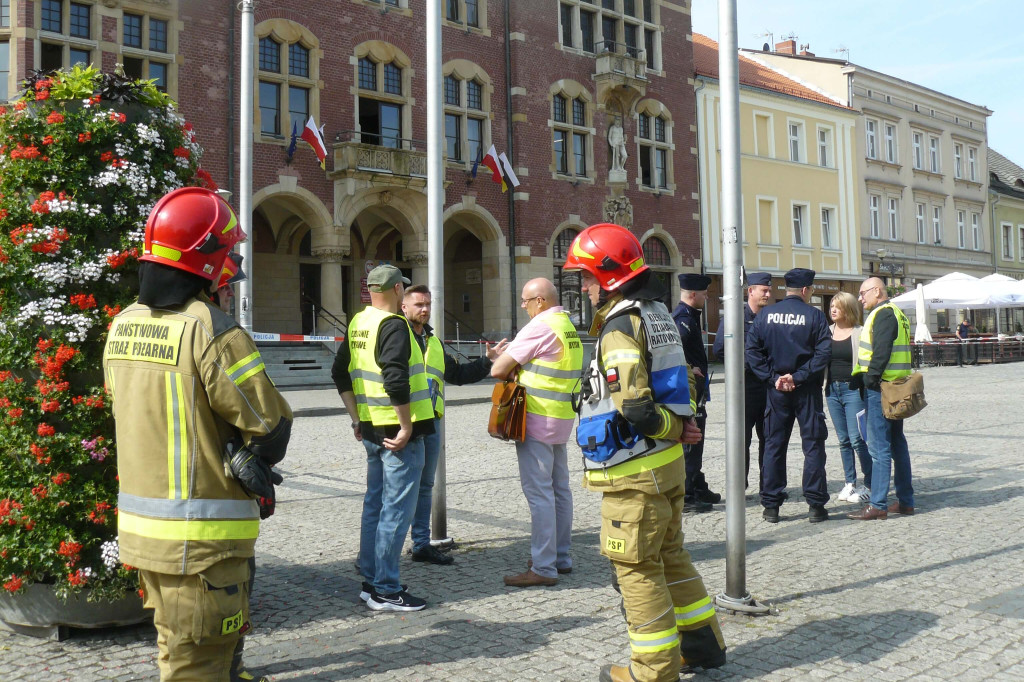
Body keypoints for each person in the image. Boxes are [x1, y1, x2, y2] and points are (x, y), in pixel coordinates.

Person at [103, 187, 292, 682]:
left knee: (176, 644)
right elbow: (271, 424)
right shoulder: (212, 330)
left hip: (145, 531)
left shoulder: (122, 324)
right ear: (207, 260)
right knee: (199, 664)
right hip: (203, 538)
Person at [564, 223, 726, 682]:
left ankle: (653, 671)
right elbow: (687, 378)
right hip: (666, 466)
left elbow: (634, 406)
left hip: (634, 470)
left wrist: (673, 427)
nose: (584, 285)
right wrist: (682, 428)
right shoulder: (655, 312)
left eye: (588, 276)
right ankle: (703, 645)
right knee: (671, 555)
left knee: (636, 568)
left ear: (610, 275)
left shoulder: (620, 326)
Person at [332, 264, 434, 611]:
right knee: (396, 510)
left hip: (373, 428)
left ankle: (372, 579)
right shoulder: (394, 325)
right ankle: (387, 590)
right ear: (396, 291)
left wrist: (357, 417)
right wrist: (406, 426)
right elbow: (394, 378)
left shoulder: (359, 321)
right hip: (397, 434)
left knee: (374, 504)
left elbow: (339, 372)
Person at [400, 284, 508, 565]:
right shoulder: (398, 336)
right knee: (400, 488)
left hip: (430, 422)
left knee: (425, 486)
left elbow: (458, 374)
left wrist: (487, 361)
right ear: (404, 307)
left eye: (427, 304)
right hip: (403, 423)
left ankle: (421, 544)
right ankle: (384, 549)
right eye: (418, 304)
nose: (424, 309)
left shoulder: (433, 342)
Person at [490, 278, 581, 587]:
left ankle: (543, 567)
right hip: (561, 417)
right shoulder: (566, 325)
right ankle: (561, 557)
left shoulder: (540, 326)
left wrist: (501, 361)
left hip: (537, 417)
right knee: (560, 489)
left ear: (540, 300)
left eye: (525, 300)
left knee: (540, 493)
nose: (523, 306)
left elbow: (498, 370)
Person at [746, 268, 831, 524]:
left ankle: (771, 506)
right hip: (806, 391)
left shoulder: (766, 315)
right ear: (805, 290)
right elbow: (823, 353)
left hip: (776, 392)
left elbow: (752, 350)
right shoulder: (814, 316)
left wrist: (773, 378)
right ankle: (815, 505)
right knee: (813, 445)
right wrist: (799, 376)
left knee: (774, 445)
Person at [848, 277, 915, 521]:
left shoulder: (884, 314)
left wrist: (870, 379)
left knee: (879, 448)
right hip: (895, 386)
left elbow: (882, 351)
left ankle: (878, 504)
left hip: (882, 389)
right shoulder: (897, 313)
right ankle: (906, 501)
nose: (860, 297)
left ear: (877, 291)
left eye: (863, 293)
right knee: (897, 443)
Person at [712, 271, 773, 492]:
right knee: (741, 441)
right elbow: (720, 349)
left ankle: (768, 486)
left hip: (766, 388)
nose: (767, 294)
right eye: (764, 290)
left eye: (769, 290)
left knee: (768, 440)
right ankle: (739, 486)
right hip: (744, 387)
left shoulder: (770, 317)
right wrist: (746, 365)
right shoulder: (734, 316)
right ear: (751, 291)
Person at [672, 273, 720, 512]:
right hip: (690, 390)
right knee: (692, 438)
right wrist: (691, 368)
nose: (706, 296)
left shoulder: (690, 316)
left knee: (697, 436)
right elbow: (674, 347)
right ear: (692, 294)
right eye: (703, 293)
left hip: (696, 389)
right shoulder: (683, 318)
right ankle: (687, 494)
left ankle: (696, 483)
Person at [825, 292, 872, 504]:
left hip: (853, 389)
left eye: (838, 306)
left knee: (857, 439)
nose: (833, 310)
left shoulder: (860, 332)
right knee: (843, 440)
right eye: (832, 306)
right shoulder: (826, 332)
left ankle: (870, 483)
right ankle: (850, 483)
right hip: (832, 391)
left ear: (848, 309)